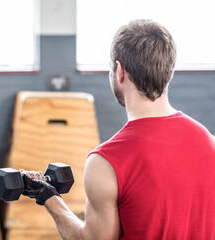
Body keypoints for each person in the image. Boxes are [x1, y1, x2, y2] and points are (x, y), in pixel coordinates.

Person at [21, 19, 215, 239]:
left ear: (119, 71)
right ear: (168, 71)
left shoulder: (106, 163)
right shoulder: (210, 142)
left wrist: (48, 196)